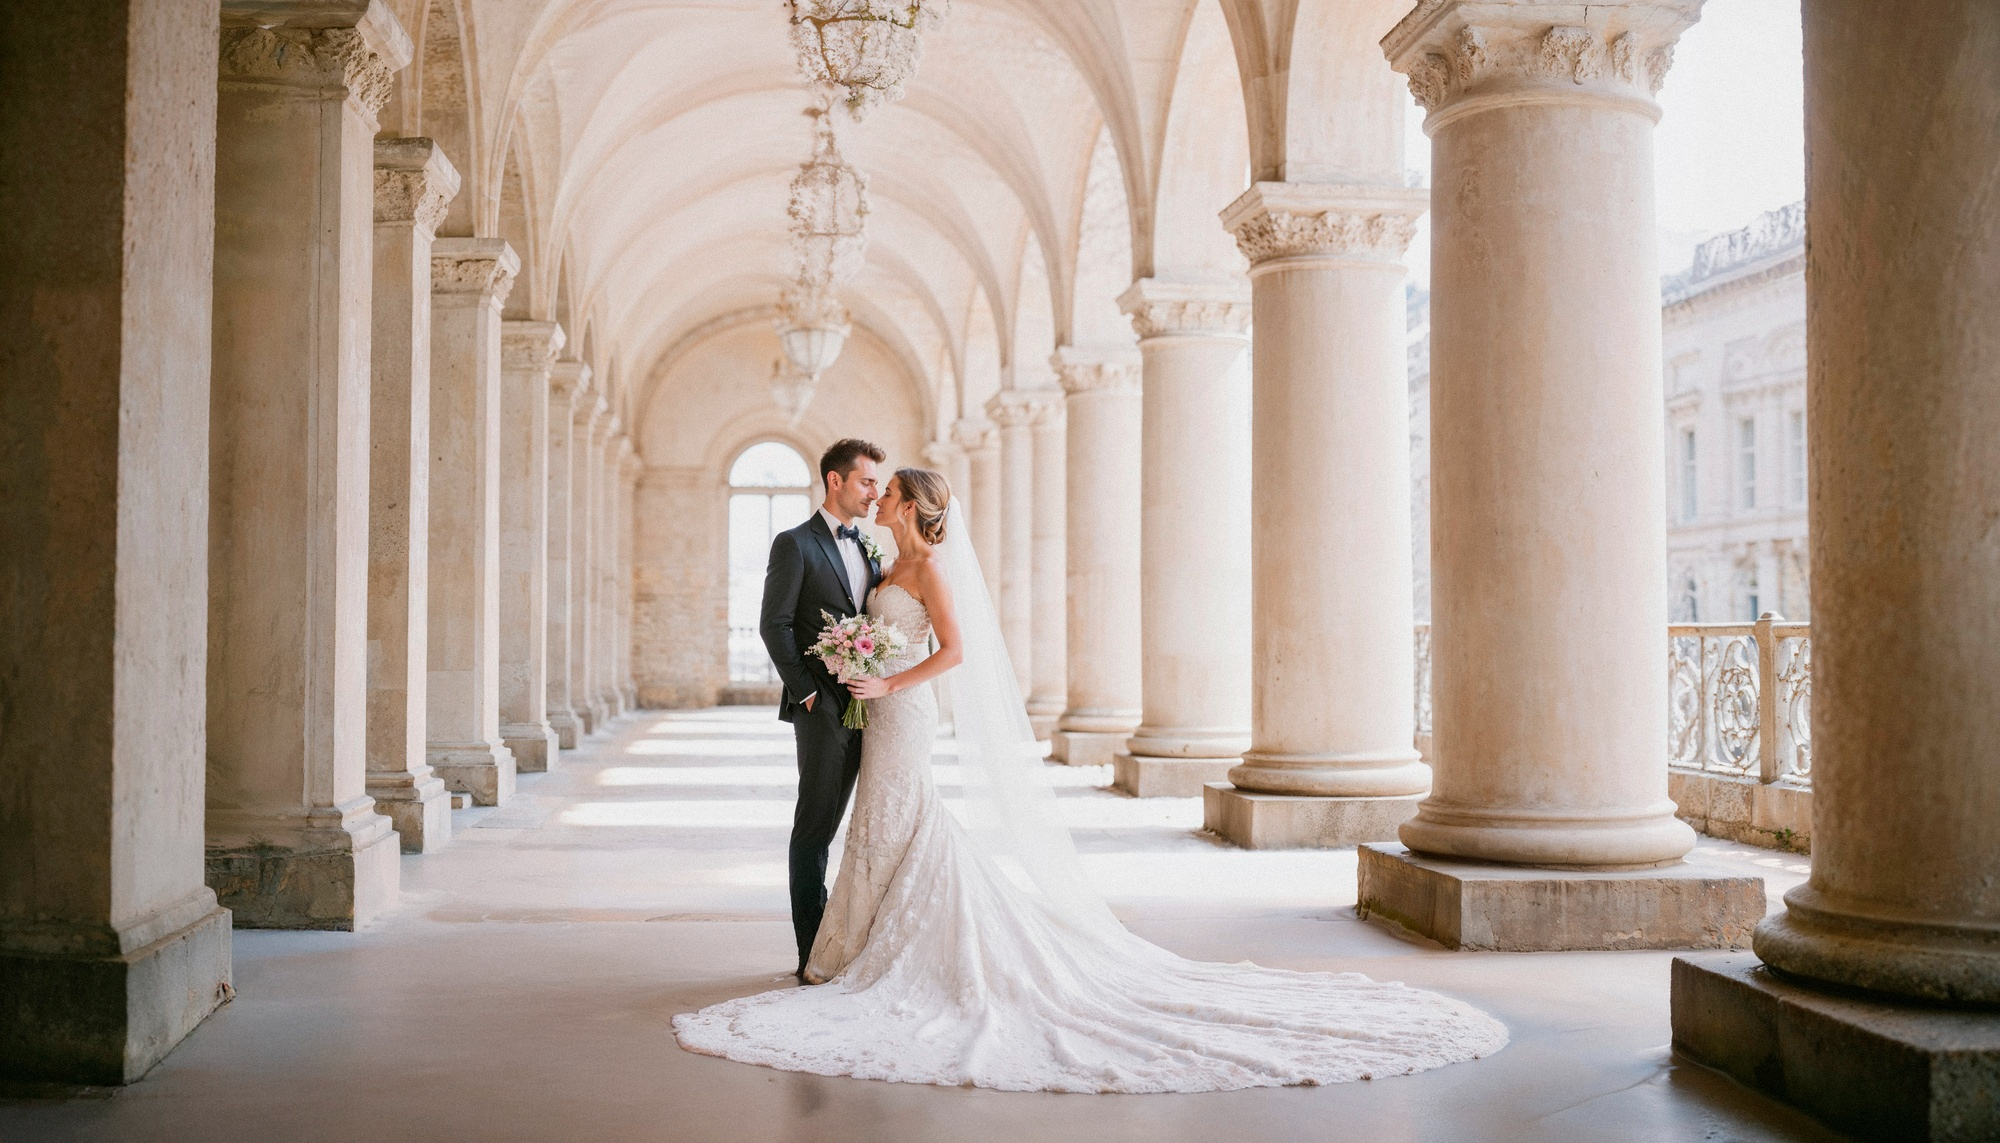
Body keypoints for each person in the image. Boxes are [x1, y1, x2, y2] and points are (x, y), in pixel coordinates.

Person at [686, 466, 1509, 1093]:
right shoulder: (880, 563)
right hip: (880, 706)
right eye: (880, 486)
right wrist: (858, 663)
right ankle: (859, 949)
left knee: (901, 820)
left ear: (910, 504)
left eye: (890, 490)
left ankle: (876, 953)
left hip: (901, 710)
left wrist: (889, 681)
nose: (882, 497)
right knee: (884, 826)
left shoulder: (929, 567)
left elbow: (958, 651)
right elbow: (863, 629)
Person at [756, 438, 883, 984]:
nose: (874, 492)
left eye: (878, 483)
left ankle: (848, 940)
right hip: (822, 708)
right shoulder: (795, 544)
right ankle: (812, 953)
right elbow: (775, 624)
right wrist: (806, 692)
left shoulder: (871, 550)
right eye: (866, 481)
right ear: (836, 481)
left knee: (856, 827)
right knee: (815, 828)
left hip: (869, 708)